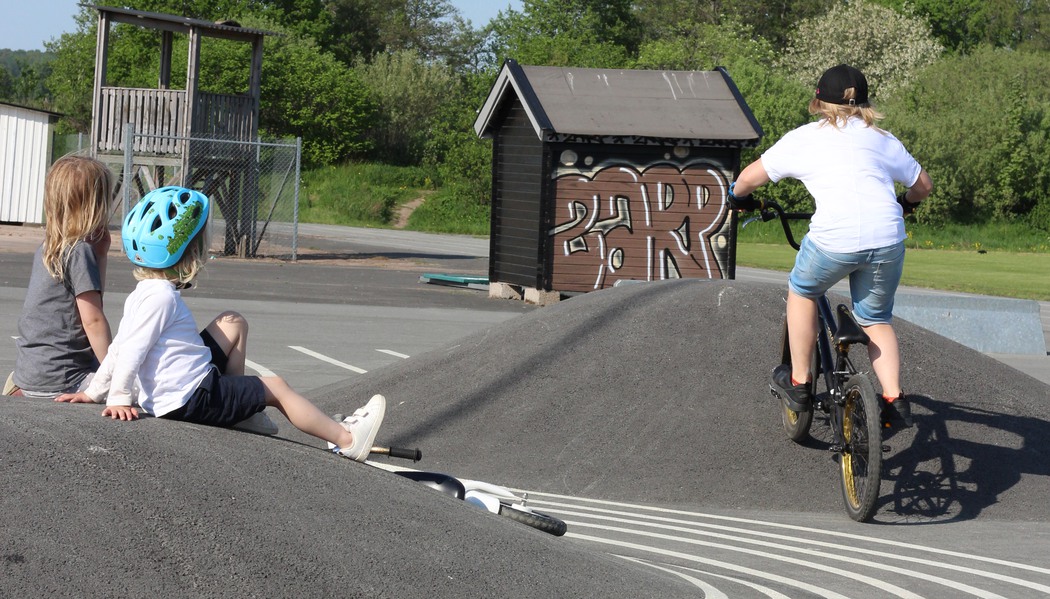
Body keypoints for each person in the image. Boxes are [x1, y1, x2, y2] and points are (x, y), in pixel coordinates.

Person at [55, 186, 385, 460]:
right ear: (188, 251)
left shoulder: (143, 292)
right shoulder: (162, 297)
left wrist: (94, 392)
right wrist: (118, 397)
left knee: (233, 322)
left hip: (184, 388)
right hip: (192, 397)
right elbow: (131, 352)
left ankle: (243, 413)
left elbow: (119, 347)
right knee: (278, 387)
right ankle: (347, 439)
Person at [729, 64, 933, 427]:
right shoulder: (883, 139)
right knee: (876, 319)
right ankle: (893, 397)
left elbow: (747, 179)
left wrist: (737, 198)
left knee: (802, 290)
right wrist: (906, 203)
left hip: (834, 240)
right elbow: (923, 186)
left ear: (820, 101)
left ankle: (800, 384)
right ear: (864, 102)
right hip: (887, 238)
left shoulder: (805, 138)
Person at [8, 155, 115, 399]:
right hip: (65, 378)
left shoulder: (49, 247)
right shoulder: (79, 251)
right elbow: (93, 321)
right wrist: (114, 375)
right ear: (94, 206)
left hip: (32, 374)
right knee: (145, 386)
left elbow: (89, 304)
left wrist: (101, 255)